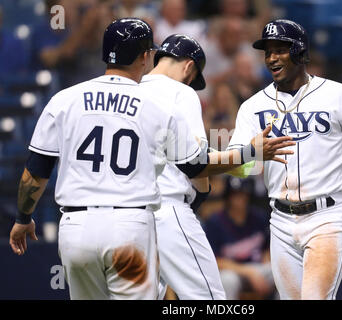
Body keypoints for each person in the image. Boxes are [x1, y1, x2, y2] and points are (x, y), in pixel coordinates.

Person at [8, 18, 295, 300]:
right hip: (140, 217)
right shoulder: (169, 98)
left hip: (75, 225)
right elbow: (196, 167)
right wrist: (248, 154)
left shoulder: (66, 97)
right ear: (150, 57)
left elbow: (35, 170)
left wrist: (23, 217)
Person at [227, 19, 342, 300]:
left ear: (301, 52)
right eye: (267, 52)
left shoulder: (339, 96)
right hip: (280, 219)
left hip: (328, 215)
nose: (271, 58)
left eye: (280, 49)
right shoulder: (252, 107)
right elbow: (239, 170)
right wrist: (249, 153)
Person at [139, 34, 225, 299]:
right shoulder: (182, 92)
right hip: (168, 208)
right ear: (189, 66)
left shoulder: (130, 89)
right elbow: (197, 162)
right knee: (208, 299)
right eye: (192, 77)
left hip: (128, 215)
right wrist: (202, 194)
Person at [204, 177, 276, 300]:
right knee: (228, 280)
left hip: (258, 269)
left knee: (279, 272)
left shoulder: (259, 217)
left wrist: (266, 260)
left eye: (244, 194)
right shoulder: (215, 222)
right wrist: (248, 272)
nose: (240, 198)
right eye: (235, 194)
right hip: (231, 272)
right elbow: (215, 261)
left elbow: (267, 249)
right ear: (228, 196)